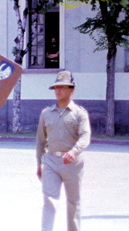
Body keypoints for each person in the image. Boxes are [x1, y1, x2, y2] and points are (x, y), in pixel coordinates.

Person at [36, 71, 91, 231]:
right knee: (49, 200)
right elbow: (40, 141)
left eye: (62, 87)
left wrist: (74, 152)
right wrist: (39, 163)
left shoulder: (80, 113)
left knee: (73, 203)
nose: (58, 91)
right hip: (51, 161)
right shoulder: (46, 113)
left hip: (72, 163)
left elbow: (85, 136)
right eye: (56, 87)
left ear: (71, 90)